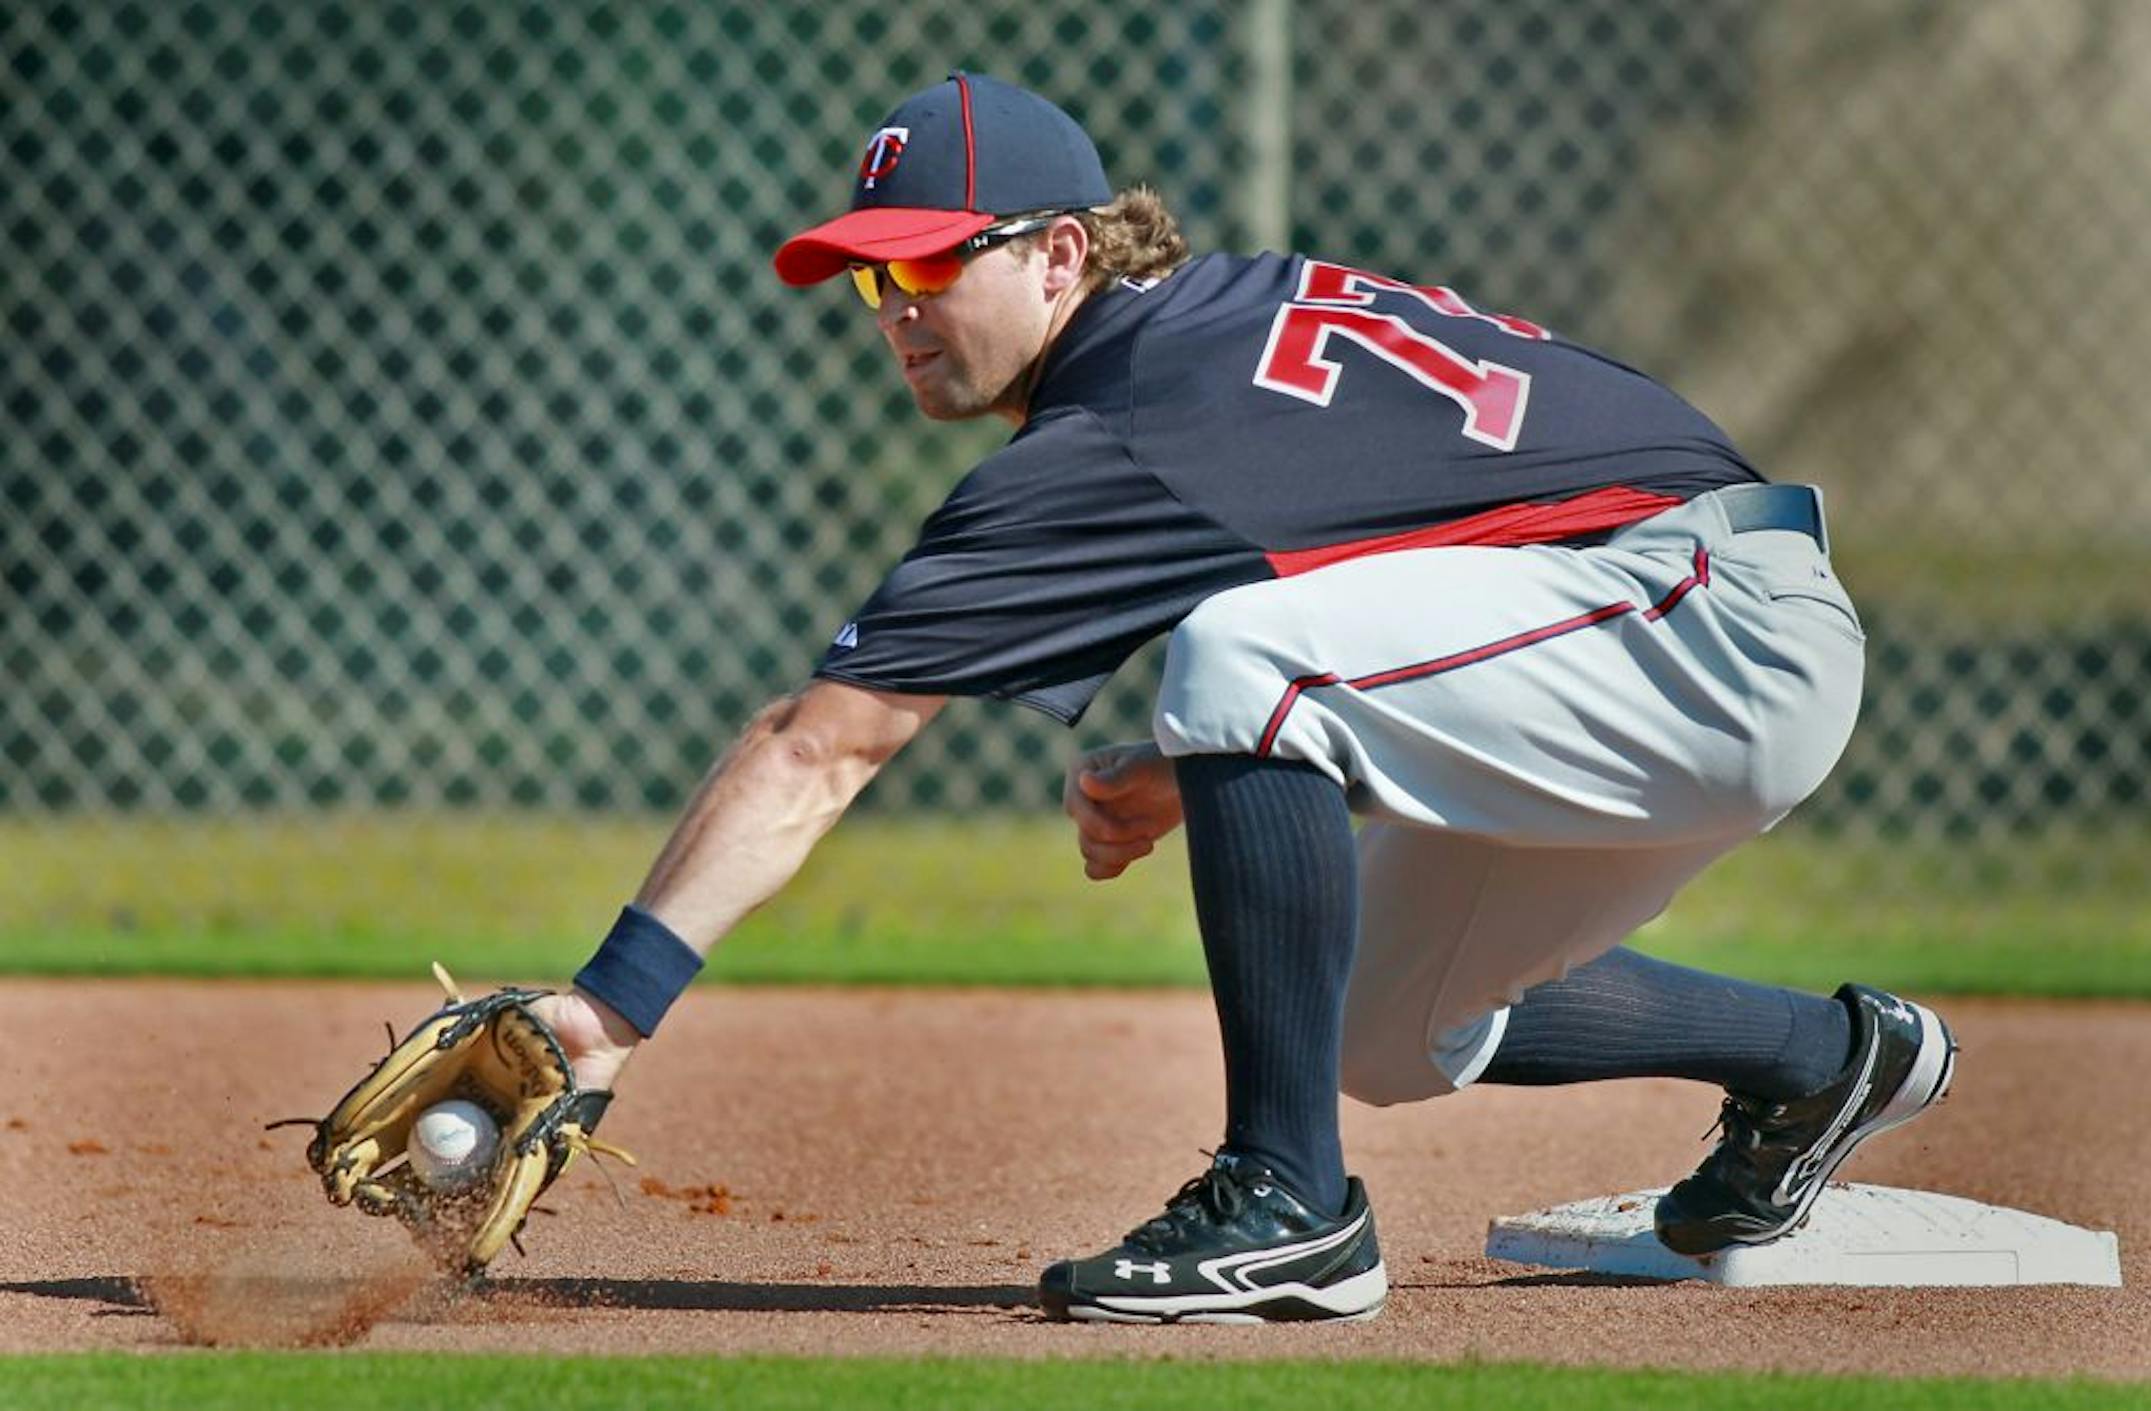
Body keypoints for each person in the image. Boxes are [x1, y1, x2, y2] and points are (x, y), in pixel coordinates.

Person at [527, 72, 1956, 1324]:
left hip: (1705, 620)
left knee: (1241, 652)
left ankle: (1290, 1209)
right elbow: (1434, 514)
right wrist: (1209, 753)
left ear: (1058, 254)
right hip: (1662, 619)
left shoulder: (1127, 423)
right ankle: (1827, 1058)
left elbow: (819, 747)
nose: (896, 313)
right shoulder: (1215, 327)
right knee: (1376, 1031)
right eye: (870, 282)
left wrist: (605, 1013)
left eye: (928, 269)